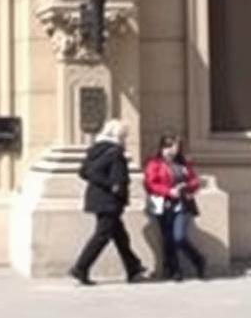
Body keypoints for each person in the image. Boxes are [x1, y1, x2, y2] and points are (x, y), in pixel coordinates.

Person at [70, 118, 147, 286]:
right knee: (102, 235)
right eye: (124, 136)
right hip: (110, 201)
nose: (125, 140)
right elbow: (118, 179)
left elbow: (84, 172)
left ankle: (133, 268)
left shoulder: (95, 150)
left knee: (120, 236)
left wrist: (101, 181)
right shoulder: (116, 153)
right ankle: (80, 267)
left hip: (97, 199)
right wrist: (113, 188)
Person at [144, 134, 206, 281]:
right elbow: (150, 184)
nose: (170, 150)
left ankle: (198, 259)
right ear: (161, 148)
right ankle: (174, 270)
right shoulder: (154, 164)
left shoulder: (183, 164)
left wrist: (187, 186)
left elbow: (194, 181)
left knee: (179, 237)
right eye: (167, 147)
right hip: (163, 204)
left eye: (173, 147)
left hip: (182, 204)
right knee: (167, 239)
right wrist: (169, 191)